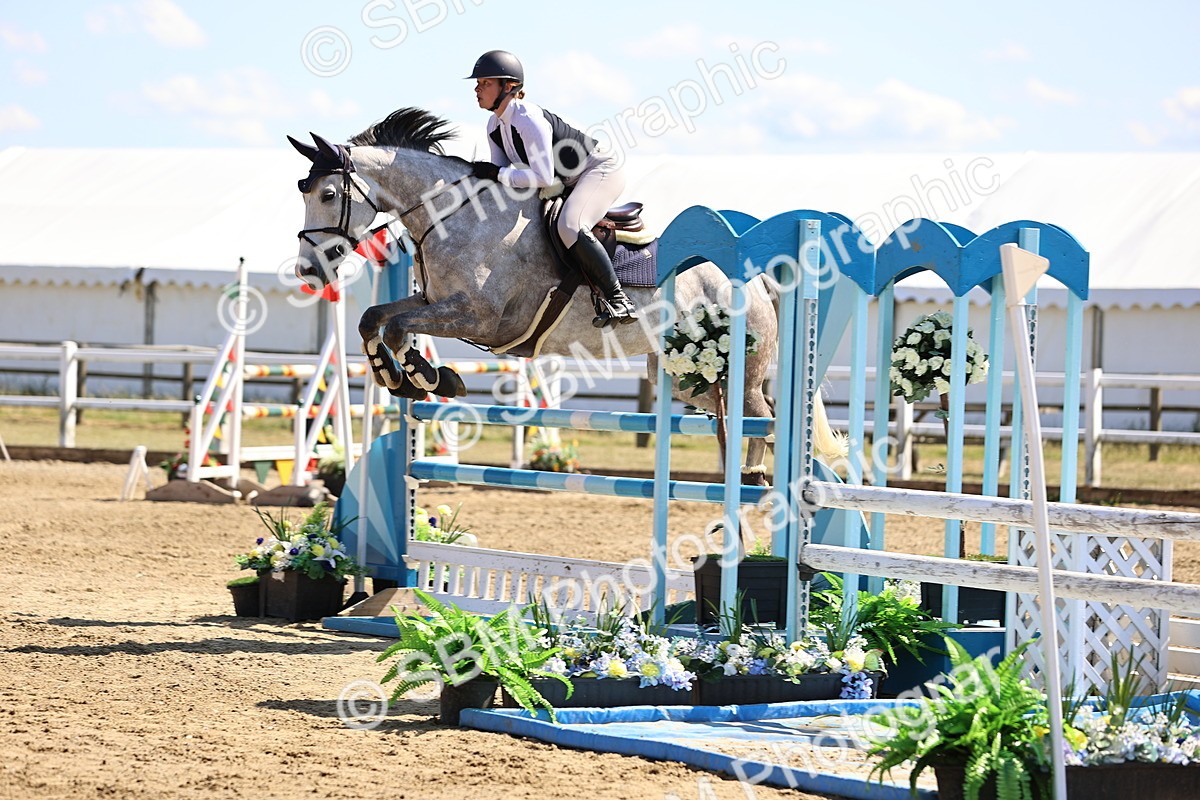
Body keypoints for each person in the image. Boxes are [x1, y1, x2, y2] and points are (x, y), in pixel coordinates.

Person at [467, 49, 638, 328]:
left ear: (508, 87)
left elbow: (542, 177)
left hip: (599, 169)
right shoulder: (494, 125)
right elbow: (501, 177)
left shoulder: (526, 117)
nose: (477, 88)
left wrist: (497, 174)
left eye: (485, 82)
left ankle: (618, 299)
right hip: (568, 180)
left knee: (570, 226)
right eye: (477, 83)